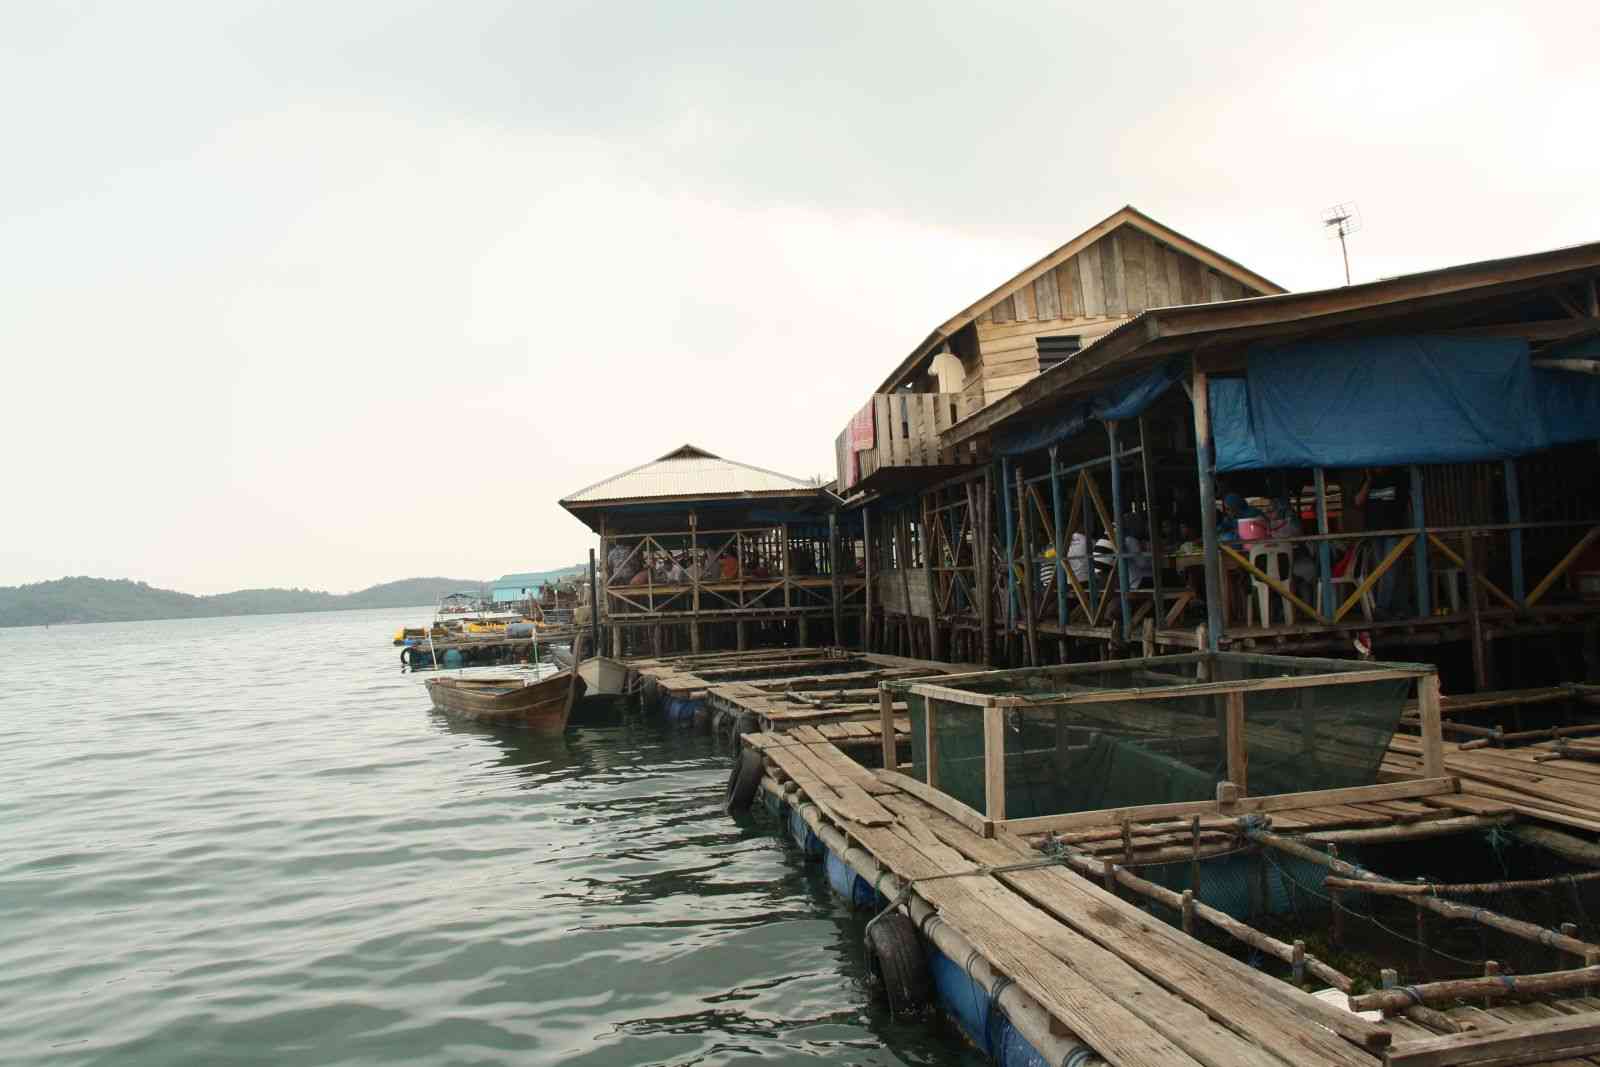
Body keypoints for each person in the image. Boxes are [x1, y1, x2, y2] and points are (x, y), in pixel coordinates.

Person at [1356, 468, 1410, 617]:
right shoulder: (1368, 479)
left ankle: (1381, 609)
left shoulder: (1398, 476)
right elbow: (1358, 502)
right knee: (1383, 571)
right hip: (1375, 533)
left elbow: (1404, 504)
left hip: (1393, 531)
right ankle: (1400, 609)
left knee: (1389, 570)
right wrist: (1368, 481)